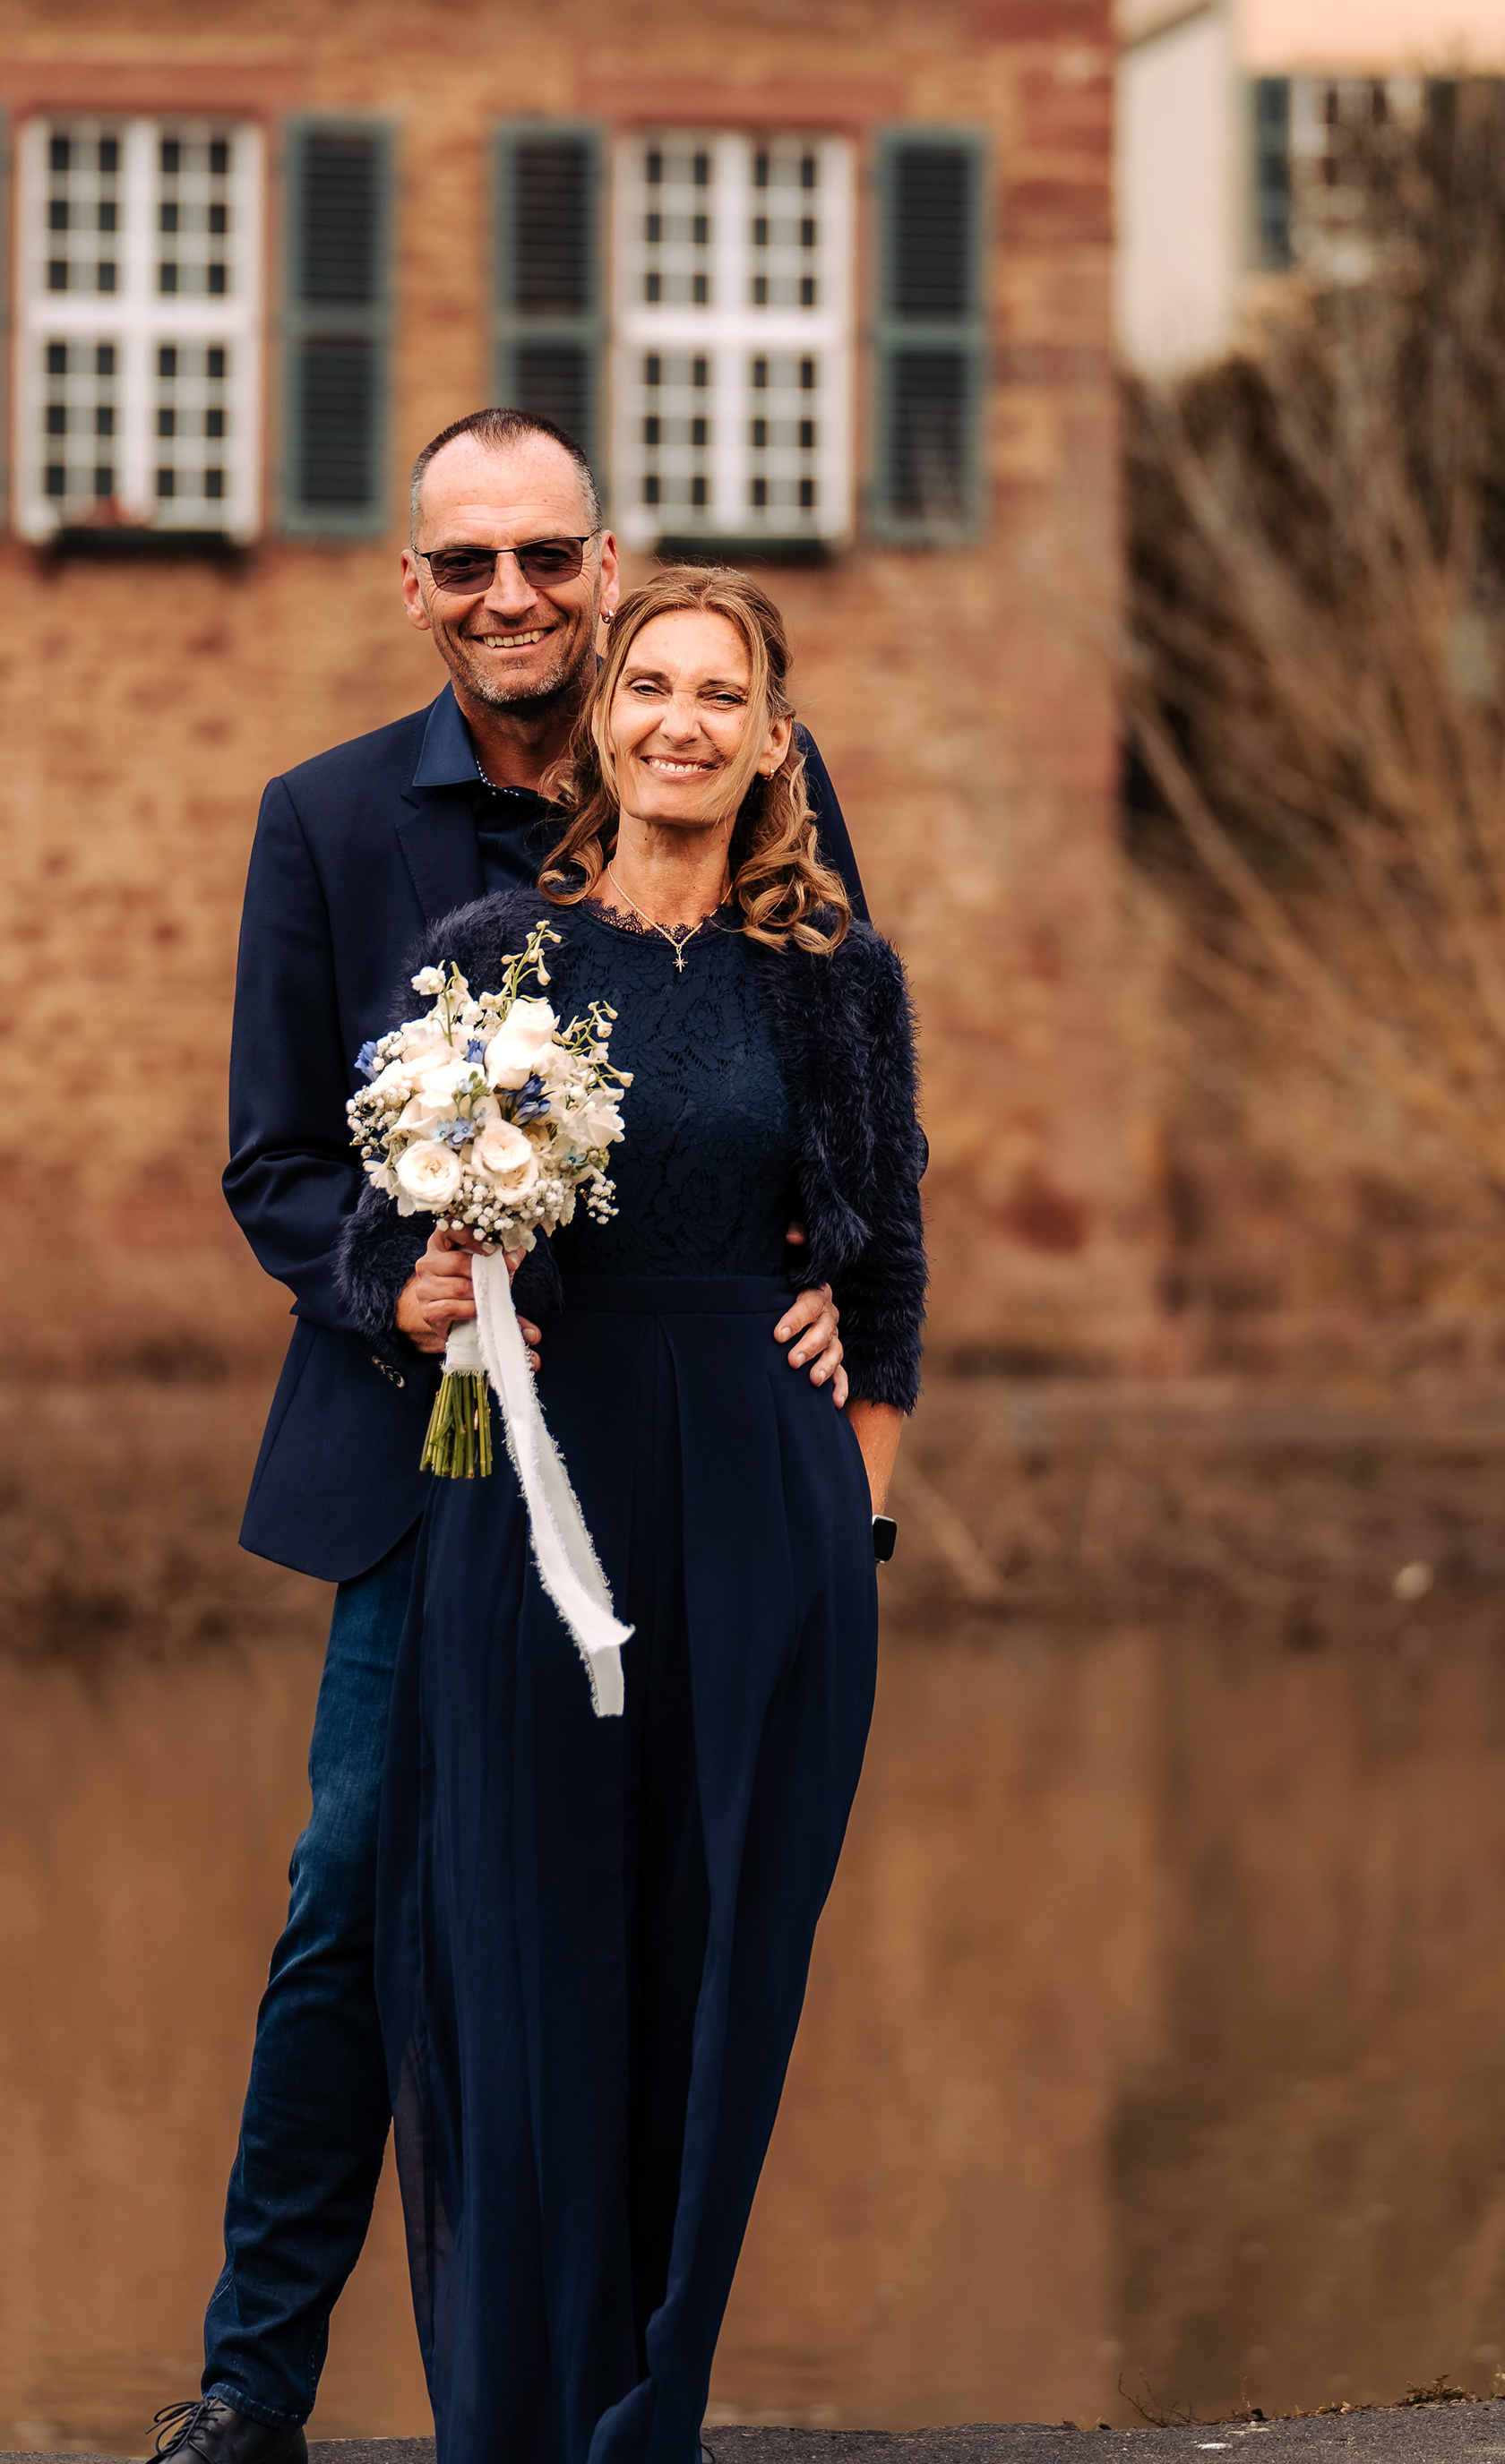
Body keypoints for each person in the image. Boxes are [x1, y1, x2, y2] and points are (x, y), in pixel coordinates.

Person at [159, 416, 860, 2464]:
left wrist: (837, 1272)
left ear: (604, 566)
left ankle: (614, 2387)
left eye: (548, 556)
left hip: (689, 1466)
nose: (512, 597)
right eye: (466, 564)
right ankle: (255, 2385)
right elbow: (277, 1158)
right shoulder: (324, 822)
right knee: (358, 1895)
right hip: (430, 1464)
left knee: (664, 1909)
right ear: (415, 588)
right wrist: (395, 1284)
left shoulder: (741, 766)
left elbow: (836, 1079)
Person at [334, 564, 924, 2464]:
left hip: (766, 1500)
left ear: (772, 739)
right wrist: (421, 1286)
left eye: (721, 694)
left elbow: (888, 1266)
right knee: (526, 1953)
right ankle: (522, 2411)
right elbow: (373, 1249)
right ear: (603, 718)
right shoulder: (490, 957)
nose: (682, 721)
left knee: (721, 1952)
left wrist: (857, 1531)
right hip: (537, 1502)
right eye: (651, 685)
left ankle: (649, 2412)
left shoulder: (834, 978)